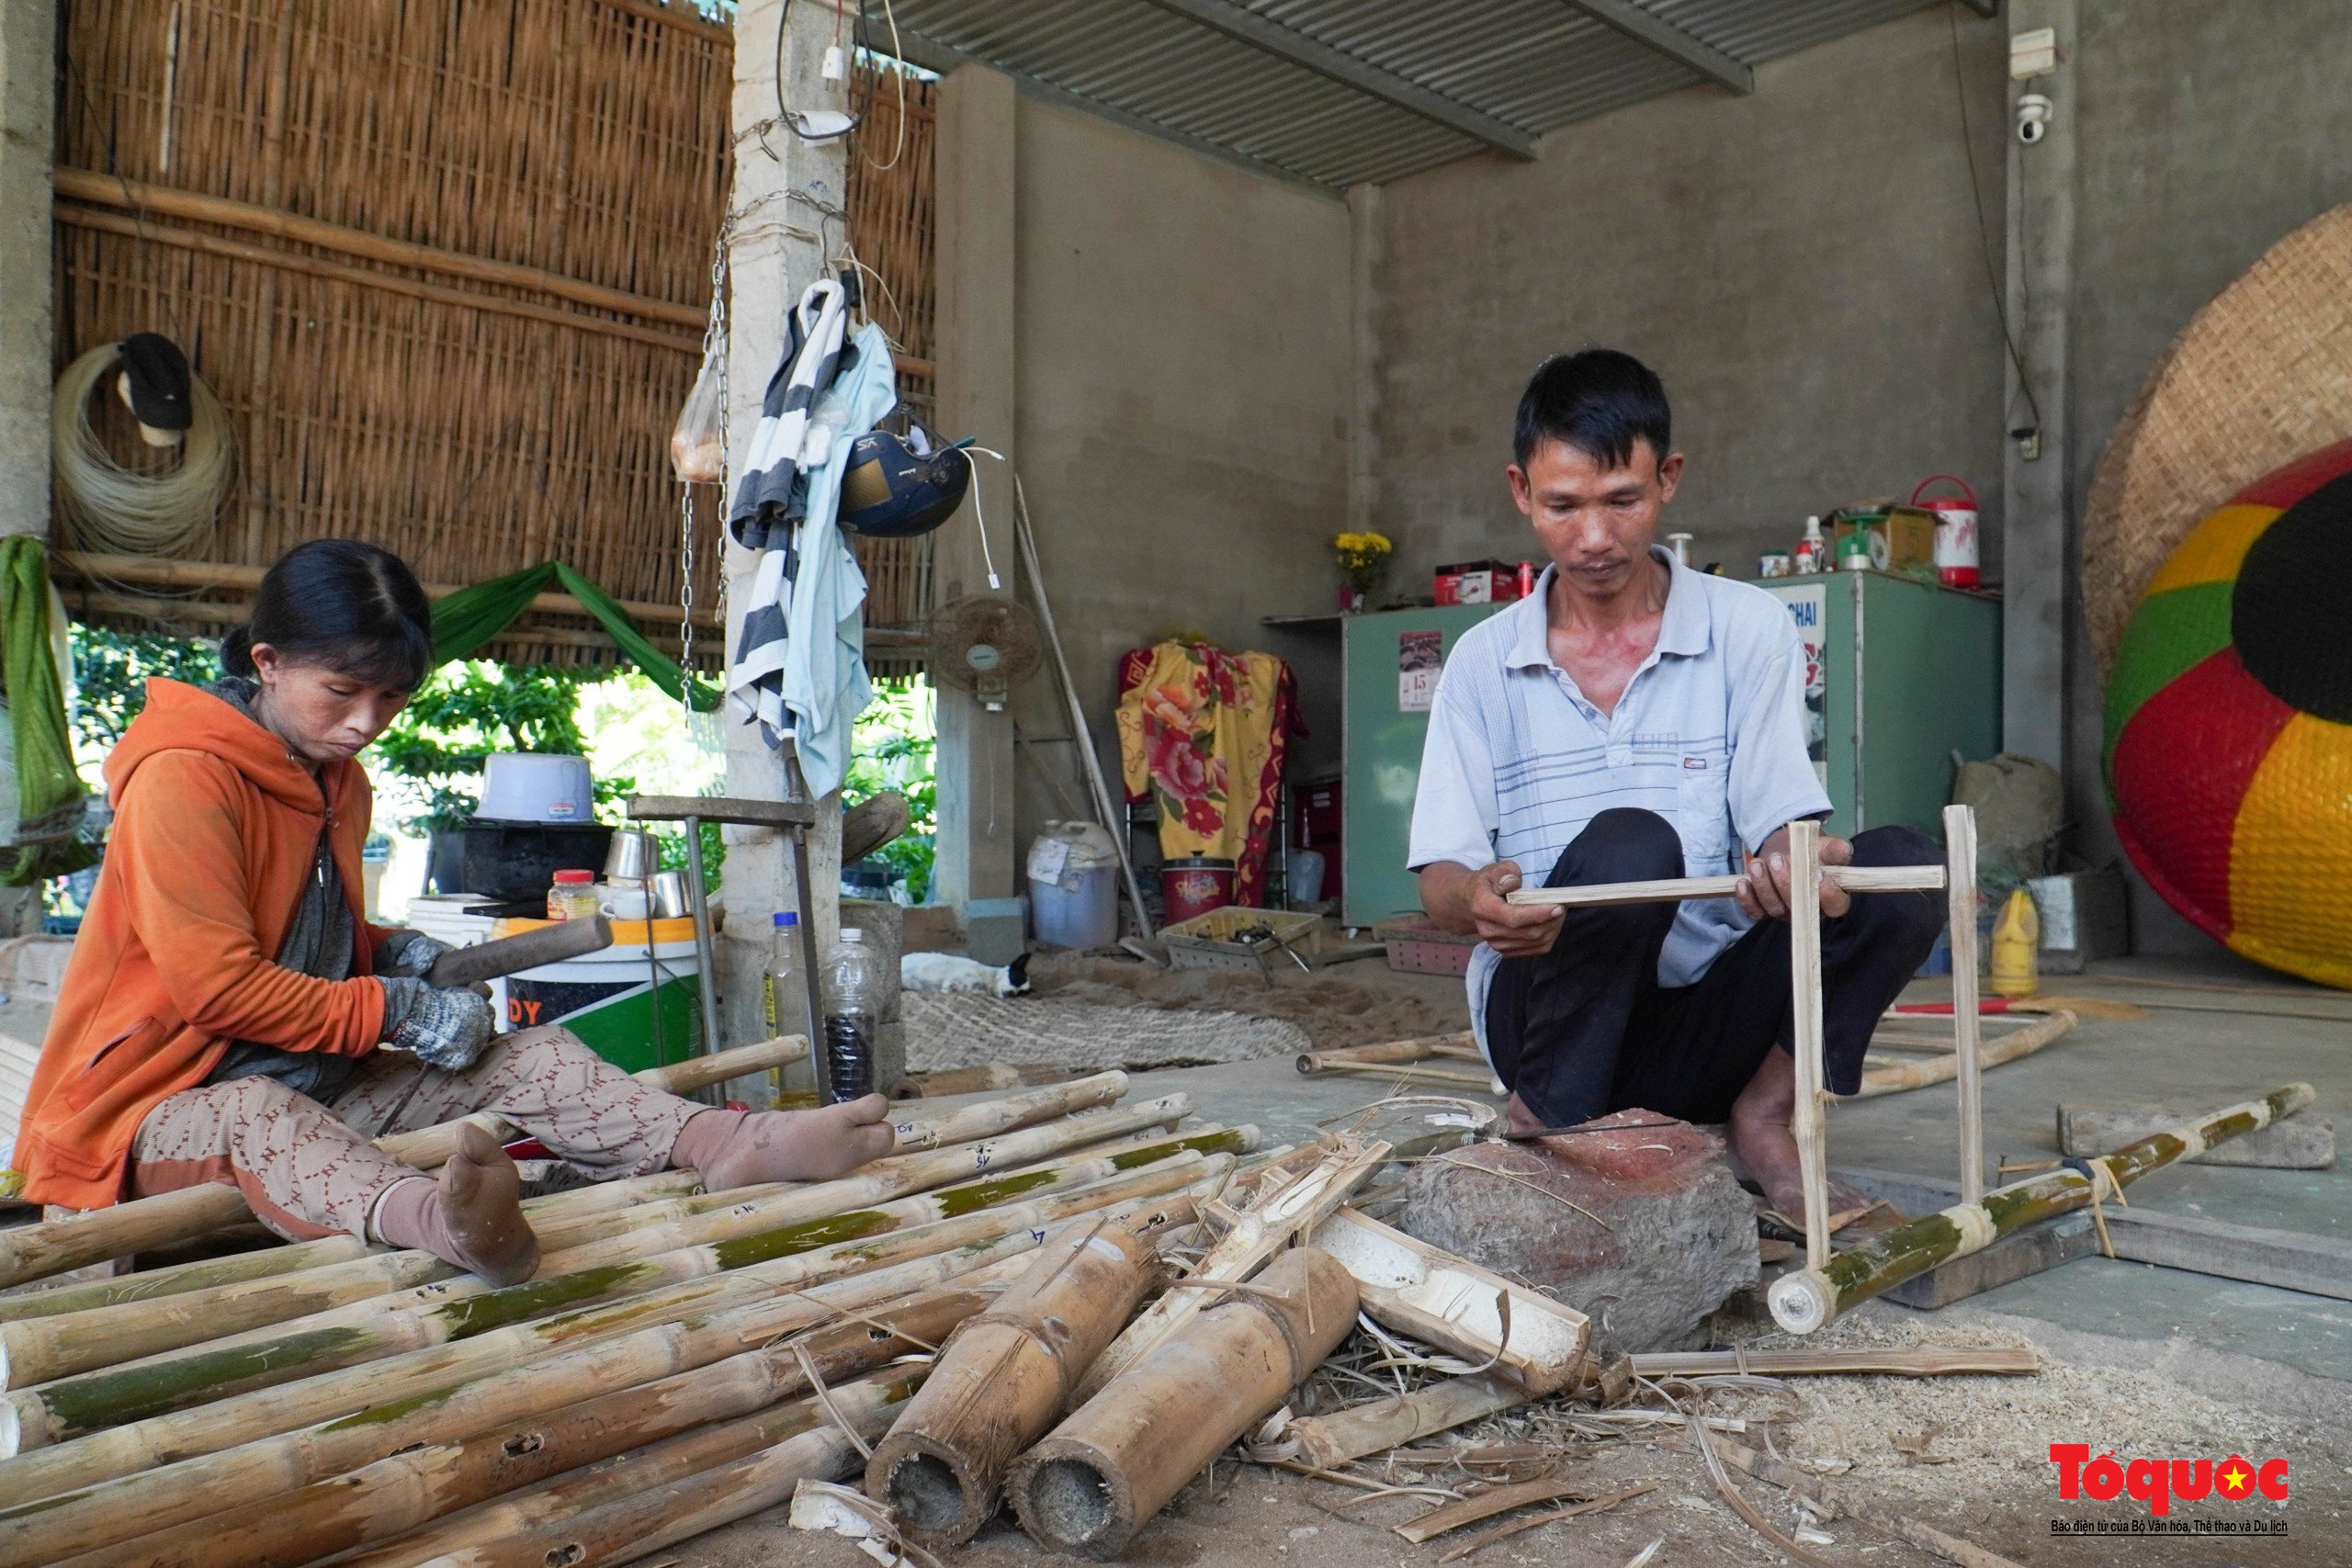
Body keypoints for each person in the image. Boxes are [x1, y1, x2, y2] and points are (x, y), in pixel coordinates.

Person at [17, 539, 894, 1285]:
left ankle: (727, 1144)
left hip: (304, 1081)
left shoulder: (335, 779)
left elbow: (314, 938)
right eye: (341, 692)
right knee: (253, 1109)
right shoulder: (185, 777)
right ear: (267, 663)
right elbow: (219, 990)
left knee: (529, 1054)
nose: (367, 722)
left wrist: (395, 951)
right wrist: (397, 1007)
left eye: (392, 698)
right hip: (146, 1115)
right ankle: (447, 1226)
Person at [1409, 351, 1943, 1217]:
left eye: (1623, 499)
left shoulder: (1747, 628)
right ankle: (1546, 1124)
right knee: (1632, 841)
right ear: (1520, 491)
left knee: (1903, 871)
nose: (1594, 537)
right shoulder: (1481, 663)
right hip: (1551, 1026)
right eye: (1562, 506)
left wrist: (1793, 865)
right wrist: (1479, 899)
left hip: (1706, 1026)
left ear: (1669, 478)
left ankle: (1766, 1117)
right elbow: (1440, 876)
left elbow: (1780, 820)